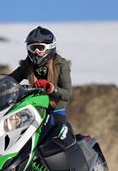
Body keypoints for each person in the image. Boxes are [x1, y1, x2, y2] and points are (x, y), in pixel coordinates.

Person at [10, 26, 76, 154]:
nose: (36, 52)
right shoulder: (27, 66)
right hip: (33, 111)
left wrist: (53, 88)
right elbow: (8, 81)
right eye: (33, 48)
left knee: (61, 139)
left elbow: (68, 94)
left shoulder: (61, 65)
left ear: (50, 48)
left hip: (55, 111)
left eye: (40, 48)